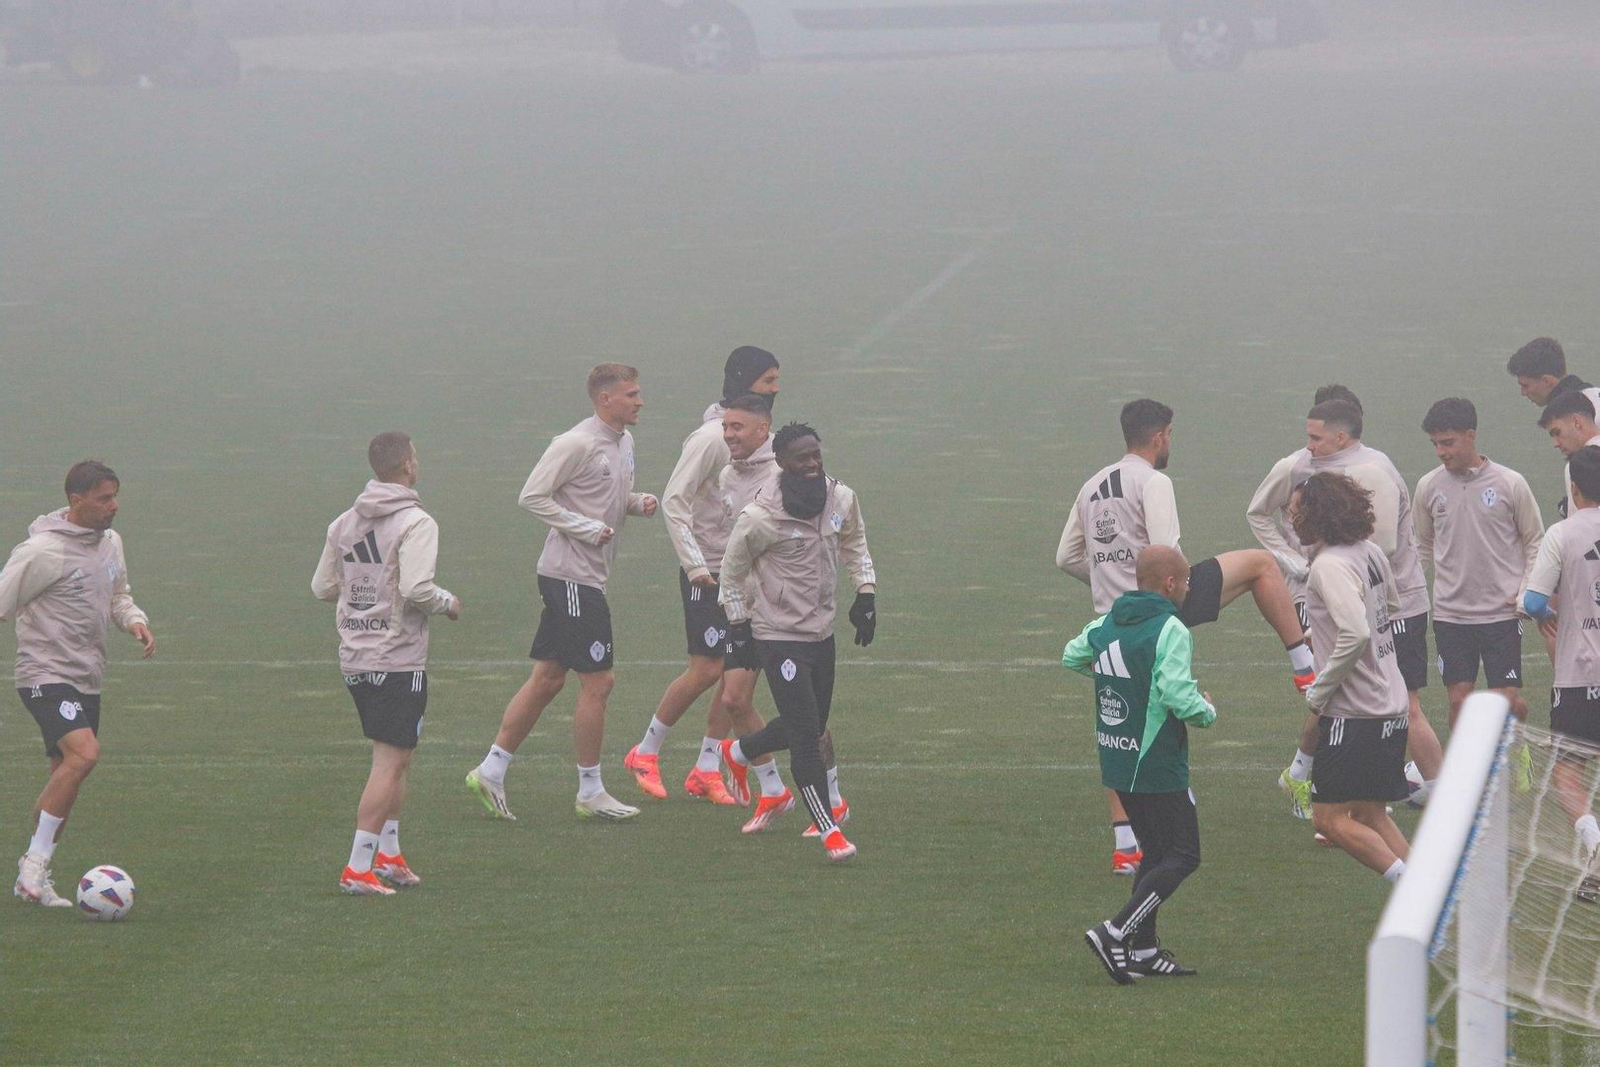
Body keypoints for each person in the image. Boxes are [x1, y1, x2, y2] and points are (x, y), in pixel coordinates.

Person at [1057, 399, 1311, 874]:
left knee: (1118, 724)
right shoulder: (1154, 481)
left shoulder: (1092, 485)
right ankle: (1305, 669)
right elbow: (1165, 552)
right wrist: (1164, 589)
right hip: (1161, 602)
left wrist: (1109, 586)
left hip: (1111, 621)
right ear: (1160, 437)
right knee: (1260, 564)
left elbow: (1066, 556)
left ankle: (1126, 847)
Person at [466, 364, 658, 822]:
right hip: (571, 577)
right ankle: (590, 792)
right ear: (604, 399)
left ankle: (490, 770)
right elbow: (532, 496)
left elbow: (604, 493)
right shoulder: (575, 443)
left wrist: (637, 502)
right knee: (599, 681)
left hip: (582, 574)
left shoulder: (624, 442)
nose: (640, 401)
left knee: (548, 678)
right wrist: (586, 528)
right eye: (631, 394)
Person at [1247, 392, 1444, 817]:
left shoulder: (1375, 471)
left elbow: (1385, 546)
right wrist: (1297, 563)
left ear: (1341, 437)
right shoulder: (1298, 466)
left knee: (1395, 703)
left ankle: (1328, 783)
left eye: (1316, 438)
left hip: (1394, 605)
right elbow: (1258, 513)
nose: (1308, 446)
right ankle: (1339, 792)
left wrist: (1334, 568)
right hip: (1331, 596)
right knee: (1344, 697)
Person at [624, 349, 781, 804]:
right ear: (747, 382)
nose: (776, 388)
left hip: (738, 570)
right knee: (708, 667)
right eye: (769, 379)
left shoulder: (753, 430)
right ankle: (646, 750)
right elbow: (675, 499)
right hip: (707, 569)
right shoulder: (713, 437)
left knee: (737, 673)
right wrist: (695, 565)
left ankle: (706, 767)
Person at [717, 422, 875, 862]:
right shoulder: (759, 517)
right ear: (782, 462)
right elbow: (729, 576)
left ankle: (741, 749)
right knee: (806, 737)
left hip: (821, 634)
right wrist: (740, 627)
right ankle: (830, 832)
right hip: (777, 637)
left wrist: (866, 593)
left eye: (816, 455)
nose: (812, 464)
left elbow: (855, 542)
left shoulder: (841, 498)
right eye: (802, 457)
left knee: (811, 722)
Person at [0, 461, 154, 907]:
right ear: (76, 500)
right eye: (104, 498)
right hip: (44, 675)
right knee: (85, 754)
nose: (114, 506)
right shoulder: (41, 552)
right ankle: (33, 864)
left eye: (115, 496)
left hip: (87, 679)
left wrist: (134, 621)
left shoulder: (110, 544)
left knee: (62, 779)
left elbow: (118, 593)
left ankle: (34, 871)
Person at [312, 433, 460, 895]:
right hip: (397, 659)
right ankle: (357, 868)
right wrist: (448, 602)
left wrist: (367, 588)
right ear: (407, 467)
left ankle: (389, 855)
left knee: (399, 758)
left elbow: (322, 586)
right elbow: (418, 590)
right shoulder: (417, 522)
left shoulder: (343, 523)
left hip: (355, 657)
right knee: (388, 761)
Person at [1074, 546, 1214, 985]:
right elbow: (1175, 693)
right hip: (1155, 761)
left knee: (1155, 855)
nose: (1190, 589)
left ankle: (1146, 951)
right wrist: (1206, 711)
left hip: (1117, 759)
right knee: (1184, 855)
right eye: (1187, 581)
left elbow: (1072, 655)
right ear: (1170, 583)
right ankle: (1115, 931)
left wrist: (1123, 681)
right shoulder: (1171, 627)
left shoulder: (1106, 621)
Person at [1292, 472, 1411, 883]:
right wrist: (1321, 630)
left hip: (1355, 713)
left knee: (1328, 818)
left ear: (1318, 514)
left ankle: (1411, 888)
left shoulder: (1328, 565)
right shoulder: (1369, 551)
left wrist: (1319, 691)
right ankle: (1432, 894)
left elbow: (1357, 632)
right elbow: (1388, 606)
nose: (1292, 520)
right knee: (1370, 814)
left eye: (1298, 511)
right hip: (1392, 707)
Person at [1413, 399, 1541, 728]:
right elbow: (1422, 545)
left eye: (1448, 442)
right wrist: (1407, 593)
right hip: (1451, 614)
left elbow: (1534, 541)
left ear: (1471, 435)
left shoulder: (1510, 483)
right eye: (1435, 444)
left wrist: (1526, 593)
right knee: (1459, 702)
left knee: (1505, 702)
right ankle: (1466, 779)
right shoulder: (1429, 486)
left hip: (1500, 612)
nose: (1441, 452)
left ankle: (1515, 744)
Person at [1521, 445, 1600, 894]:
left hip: (1579, 675)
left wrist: (1544, 616)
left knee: (1569, 770)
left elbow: (1534, 601)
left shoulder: (1564, 533)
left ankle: (1593, 843)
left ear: (1574, 488)